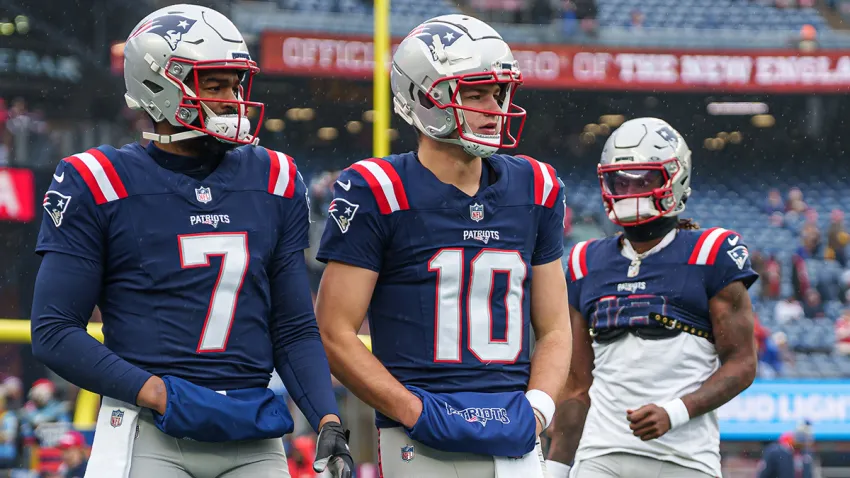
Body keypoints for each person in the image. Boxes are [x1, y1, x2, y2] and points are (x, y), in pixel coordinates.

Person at [29, 4, 352, 477]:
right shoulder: (97, 179)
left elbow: (292, 326)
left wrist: (327, 418)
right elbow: (54, 330)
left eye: (234, 85)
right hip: (148, 427)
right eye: (214, 85)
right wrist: (157, 391)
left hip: (249, 428)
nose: (230, 99)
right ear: (159, 85)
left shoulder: (274, 177)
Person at [314, 14, 572, 478]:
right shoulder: (379, 189)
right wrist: (412, 409)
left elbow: (554, 328)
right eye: (474, 94)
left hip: (513, 431)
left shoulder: (535, 186)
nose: (493, 106)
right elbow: (334, 330)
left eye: (497, 93)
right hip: (422, 438)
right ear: (424, 96)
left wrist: (537, 408)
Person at [545, 117, 759, 478]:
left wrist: (676, 411)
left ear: (674, 179)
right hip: (601, 455)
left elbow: (742, 363)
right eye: (619, 181)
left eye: (643, 179)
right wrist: (555, 467)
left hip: (685, 458)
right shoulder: (585, 261)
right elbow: (576, 386)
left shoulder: (712, 252)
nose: (630, 192)